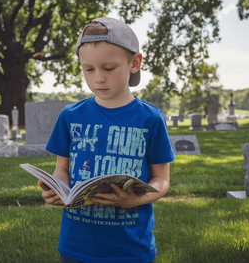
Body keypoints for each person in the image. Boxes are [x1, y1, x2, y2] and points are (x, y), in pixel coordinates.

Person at [38, 17, 175, 263]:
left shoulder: (151, 118)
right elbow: (62, 169)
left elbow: (162, 179)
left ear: (134, 63)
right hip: (76, 247)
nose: (98, 78)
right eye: (88, 69)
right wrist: (56, 189)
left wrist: (136, 198)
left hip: (131, 248)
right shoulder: (70, 116)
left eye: (108, 68)